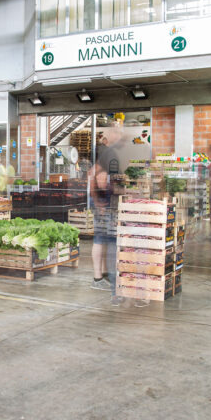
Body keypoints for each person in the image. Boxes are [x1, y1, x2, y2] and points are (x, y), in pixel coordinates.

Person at [89, 126, 128, 306]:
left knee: (104, 239)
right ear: (111, 137)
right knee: (100, 238)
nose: (122, 138)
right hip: (103, 204)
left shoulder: (109, 153)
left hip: (103, 202)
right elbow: (96, 177)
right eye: (119, 134)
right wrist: (99, 201)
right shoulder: (107, 153)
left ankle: (102, 275)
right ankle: (98, 278)